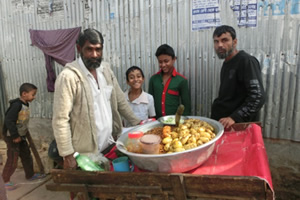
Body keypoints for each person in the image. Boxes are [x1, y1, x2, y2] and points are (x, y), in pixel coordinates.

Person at [52, 28, 141, 170]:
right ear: (79, 49)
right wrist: (67, 154)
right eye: (89, 50)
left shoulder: (105, 71)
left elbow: (120, 101)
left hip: (110, 145)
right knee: (87, 191)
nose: (94, 55)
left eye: (98, 49)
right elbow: (60, 119)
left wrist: (138, 123)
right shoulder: (69, 77)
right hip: (84, 155)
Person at [211, 25, 266, 129]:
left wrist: (235, 117)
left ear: (234, 42)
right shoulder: (227, 62)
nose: (220, 45)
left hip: (237, 126)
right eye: (216, 41)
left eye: (225, 40)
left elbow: (258, 96)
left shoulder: (246, 61)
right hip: (224, 123)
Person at [2, 83, 45, 191]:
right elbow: (9, 121)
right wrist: (15, 136)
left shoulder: (25, 104)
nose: (34, 97)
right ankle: (4, 181)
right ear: (24, 94)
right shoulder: (16, 105)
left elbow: (21, 120)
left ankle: (30, 175)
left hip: (21, 136)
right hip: (12, 137)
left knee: (26, 155)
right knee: (13, 158)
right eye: (33, 94)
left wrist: (23, 133)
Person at [148, 44, 191, 118]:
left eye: (166, 61)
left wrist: (182, 122)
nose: (163, 65)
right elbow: (150, 103)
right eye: (160, 62)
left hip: (174, 122)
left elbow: (186, 107)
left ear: (174, 59)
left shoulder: (181, 80)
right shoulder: (153, 79)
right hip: (157, 122)